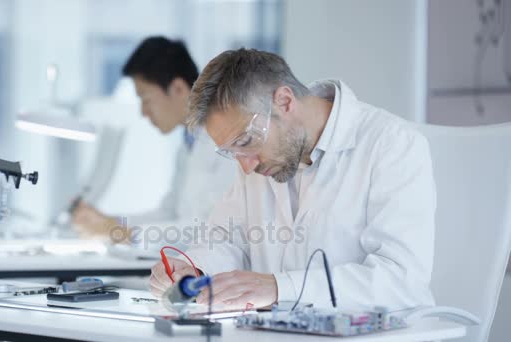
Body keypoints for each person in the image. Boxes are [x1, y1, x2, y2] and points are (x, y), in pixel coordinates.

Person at [149, 48, 437, 311]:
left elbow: (401, 280)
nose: (246, 167)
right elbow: (227, 241)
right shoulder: (259, 159)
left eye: (246, 141)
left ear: (285, 101)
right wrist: (195, 271)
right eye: (231, 152)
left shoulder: (392, 145)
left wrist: (279, 287)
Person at [72, 37, 236, 249]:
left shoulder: (228, 145)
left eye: (145, 99)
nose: (143, 112)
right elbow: (169, 213)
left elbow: (211, 229)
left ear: (177, 88)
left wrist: (118, 232)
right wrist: (108, 222)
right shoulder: (189, 142)